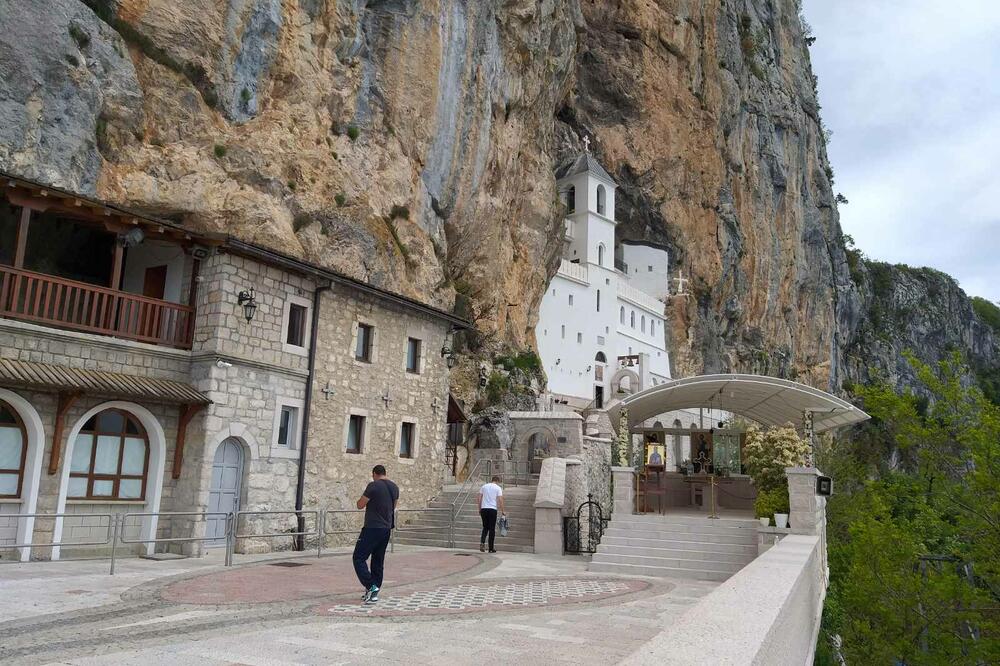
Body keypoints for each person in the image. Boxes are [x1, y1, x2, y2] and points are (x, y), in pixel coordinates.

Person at [353, 464, 399, 604]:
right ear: (385, 473)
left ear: (374, 474)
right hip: (386, 528)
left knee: (358, 557)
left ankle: (370, 586)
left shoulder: (373, 486)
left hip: (372, 527)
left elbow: (360, 505)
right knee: (378, 560)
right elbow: (394, 506)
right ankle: (374, 591)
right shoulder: (394, 487)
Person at [477, 475, 505, 553]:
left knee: (485, 527)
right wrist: (503, 511)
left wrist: (479, 509)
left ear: (492, 480)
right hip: (492, 509)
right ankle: (491, 548)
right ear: (497, 481)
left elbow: (479, 498)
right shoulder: (498, 488)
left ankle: (482, 542)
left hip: (484, 509)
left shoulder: (484, 486)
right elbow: (500, 500)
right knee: (492, 529)